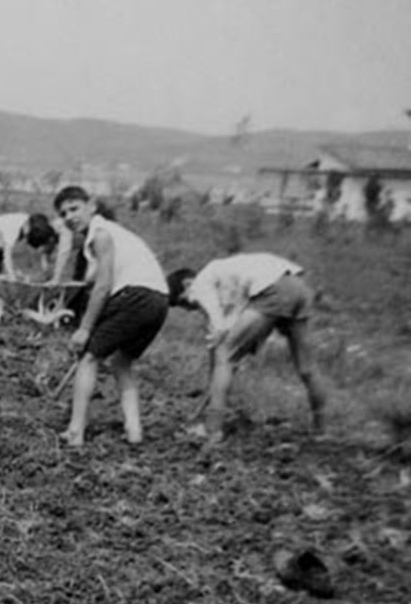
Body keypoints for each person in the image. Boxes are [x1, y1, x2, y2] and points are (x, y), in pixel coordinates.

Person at [167, 253, 326, 444]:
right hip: (298, 286)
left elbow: (220, 330)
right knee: (307, 367)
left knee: (224, 355)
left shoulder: (201, 284)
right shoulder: (226, 281)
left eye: (184, 302)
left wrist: (222, 360)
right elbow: (237, 329)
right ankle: (321, 429)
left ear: (187, 284)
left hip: (272, 288)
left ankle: (212, 430)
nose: (190, 309)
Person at [54, 185, 168, 446]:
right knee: (121, 361)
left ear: (91, 205)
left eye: (75, 208)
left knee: (89, 358)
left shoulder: (101, 234)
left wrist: (84, 329)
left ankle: (75, 431)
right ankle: (134, 430)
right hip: (159, 300)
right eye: (64, 213)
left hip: (135, 296)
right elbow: (95, 284)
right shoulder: (114, 233)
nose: (70, 216)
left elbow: (104, 285)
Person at [0, 211, 74, 320]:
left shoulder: (33, 225)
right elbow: (7, 257)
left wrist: (42, 270)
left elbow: (36, 254)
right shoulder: (12, 230)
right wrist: (12, 277)